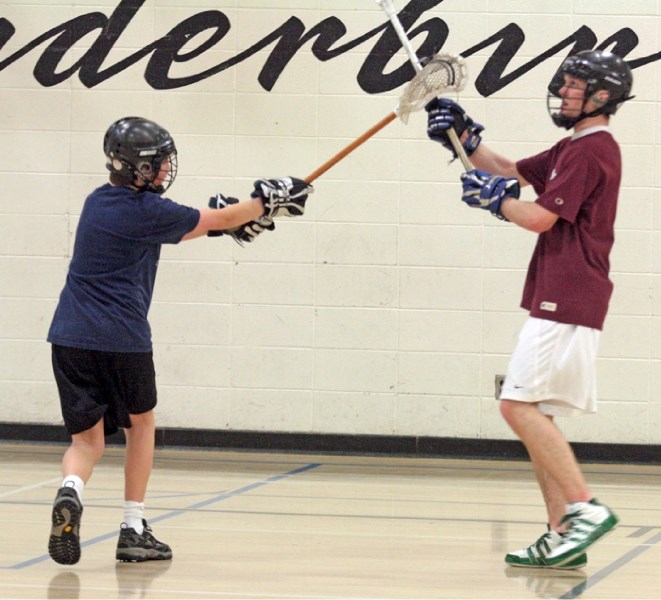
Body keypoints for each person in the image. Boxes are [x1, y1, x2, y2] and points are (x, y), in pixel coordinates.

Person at [46, 116, 312, 565]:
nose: (167, 168)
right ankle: (133, 528)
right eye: (159, 163)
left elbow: (198, 225)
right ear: (138, 169)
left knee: (86, 442)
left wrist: (231, 220)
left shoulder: (99, 203)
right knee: (140, 427)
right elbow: (221, 217)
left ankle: (70, 491)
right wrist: (269, 199)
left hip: (69, 337)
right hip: (123, 340)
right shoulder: (150, 212)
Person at [425, 49, 633, 569]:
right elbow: (510, 171)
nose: (562, 91)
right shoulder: (574, 146)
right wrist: (465, 139)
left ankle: (584, 509)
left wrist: (494, 202)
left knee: (515, 407)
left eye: (573, 85)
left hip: (569, 291)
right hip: (564, 292)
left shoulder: (592, 150)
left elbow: (538, 217)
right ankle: (562, 533)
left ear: (601, 96)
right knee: (533, 411)